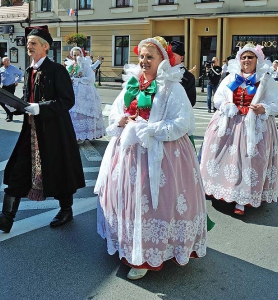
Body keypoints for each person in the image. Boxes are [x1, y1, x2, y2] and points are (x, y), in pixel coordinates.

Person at [94, 36, 207, 280]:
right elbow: (115, 110)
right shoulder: (133, 83)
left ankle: (148, 255)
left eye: (150, 57)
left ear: (162, 60)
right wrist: (121, 120)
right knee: (129, 200)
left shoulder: (172, 87)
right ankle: (129, 245)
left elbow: (183, 122)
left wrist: (152, 129)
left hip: (161, 154)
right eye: (142, 56)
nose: (144, 61)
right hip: (128, 153)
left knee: (152, 203)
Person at [0, 27, 85, 233]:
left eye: (33, 43)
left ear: (45, 47)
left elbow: (67, 101)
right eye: (28, 43)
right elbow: (27, 102)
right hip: (31, 131)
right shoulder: (29, 71)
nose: (29, 46)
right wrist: (14, 107)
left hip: (55, 132)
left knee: (58, 170)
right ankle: (6, 217)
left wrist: (40, 108)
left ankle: (66, 209)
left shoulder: (57, 70)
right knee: (18, 169)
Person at [199, 43, 278, 215]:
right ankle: (220, 190)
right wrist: (225, 105)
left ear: (257, 60)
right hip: (230, 123)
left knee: (249, 161)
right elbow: (218, 98)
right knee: (220, 157)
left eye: (250, 57)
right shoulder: (231, 77)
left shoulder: (265, 79)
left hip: (254, 126)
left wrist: (264, 108)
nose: (246, 60)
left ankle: (242, 200)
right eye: (243, 57)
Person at [66, 47, 105, 143]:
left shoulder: (85, 64)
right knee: (72, 113)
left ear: (81, 55)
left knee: (81, 112)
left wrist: (77, 80)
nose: (76, 57)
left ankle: (82, 134)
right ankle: (74, 134)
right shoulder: (70, 66)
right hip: (72, 92)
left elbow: (91, 78)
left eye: (78, 54)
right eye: (74, 55)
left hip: (83, 93)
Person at [170, 40, 196, 106]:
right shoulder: (162, 72)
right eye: (169, 55)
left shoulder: (188, 77)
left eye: (173, 56)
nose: (170, 58)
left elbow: (191, 101)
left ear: (181, 58)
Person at [0, 57, 23, 122]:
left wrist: (17, 81)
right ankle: (8, 112)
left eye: (8, 60)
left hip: (11, 87)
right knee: (1, 101)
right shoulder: (1, 69)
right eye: (6, 61)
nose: (8, 62)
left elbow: (20, 74)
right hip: (4, 86)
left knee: (8, 102)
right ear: (3, 62)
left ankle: (10, 116)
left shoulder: (13, 68)